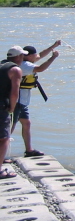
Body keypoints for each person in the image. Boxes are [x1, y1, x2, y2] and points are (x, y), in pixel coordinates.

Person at [11, 40, 61, 158]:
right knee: (10, 127)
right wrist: (53, 57)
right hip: (17, 101)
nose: (37, 56)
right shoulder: (25, 65)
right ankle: (2, 152)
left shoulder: (26, 61)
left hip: (22, 101)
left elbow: (41, 55)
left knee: (26, 123)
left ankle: (29, 150)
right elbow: (41, 68)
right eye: (34, 55)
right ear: (27, 56)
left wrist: (53, 46)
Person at [0, 47, 24, 178]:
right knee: (4, 138)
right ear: (18, 57)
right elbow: (15, 92)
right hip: (1, 106)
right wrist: (12, 108)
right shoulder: (15, 70)